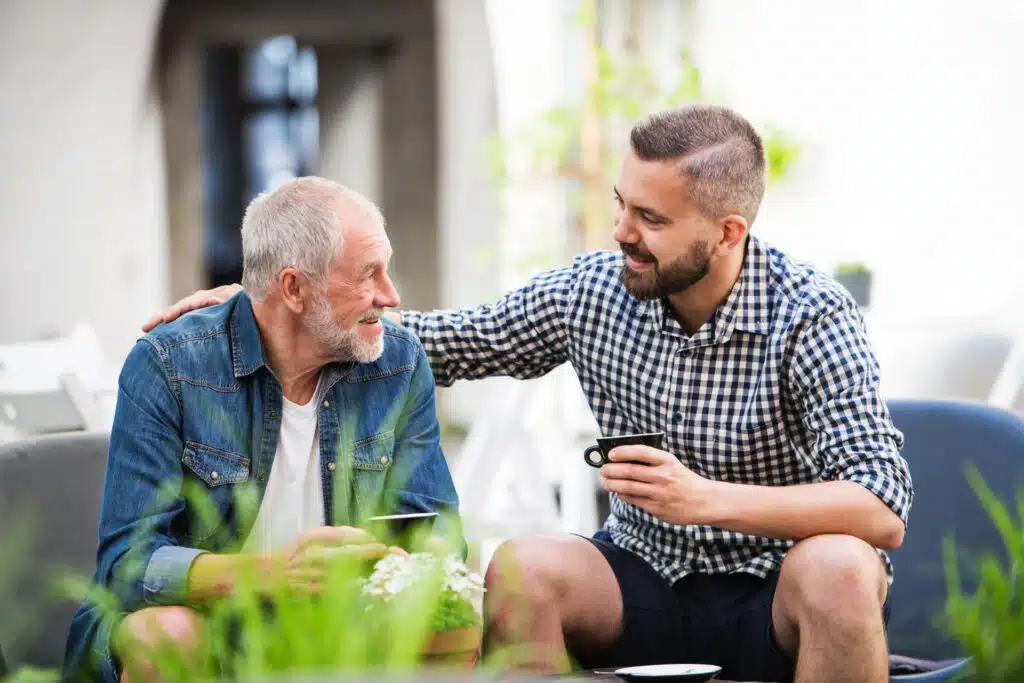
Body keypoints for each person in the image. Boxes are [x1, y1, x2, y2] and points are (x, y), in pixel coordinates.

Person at [145, 105, 913, 683]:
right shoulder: (592, 292)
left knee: (843, 566)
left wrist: (704, 498)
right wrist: (287, 304)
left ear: (728, 231)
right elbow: (442, 340)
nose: (621, 230)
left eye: (650, 218)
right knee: (523, 565)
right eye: (620, 203)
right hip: (644, 578)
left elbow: (879, 506)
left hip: (774, 591)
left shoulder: (810, 313)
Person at [66, 177, 461, 683]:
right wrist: (275, 572)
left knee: (441, 620)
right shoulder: (169, 365)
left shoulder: (397, 364)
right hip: (203, 623)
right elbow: (127, 566)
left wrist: (408, 567)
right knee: (166, 637)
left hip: (340, 623)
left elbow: (439, 530)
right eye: (369, 275)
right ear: (294, 289)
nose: (391, 294)